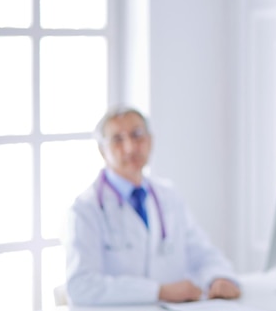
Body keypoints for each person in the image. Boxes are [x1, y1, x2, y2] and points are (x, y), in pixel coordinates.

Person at [64, 106, 241, 305]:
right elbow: (81, 286)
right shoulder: (86, 209)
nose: (130, 147)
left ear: (150, 140)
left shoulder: (168, 195)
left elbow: (201, 252)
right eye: (118, 140)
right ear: (102, 150)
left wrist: (218, 277)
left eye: (137, 135)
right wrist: (158, 291)